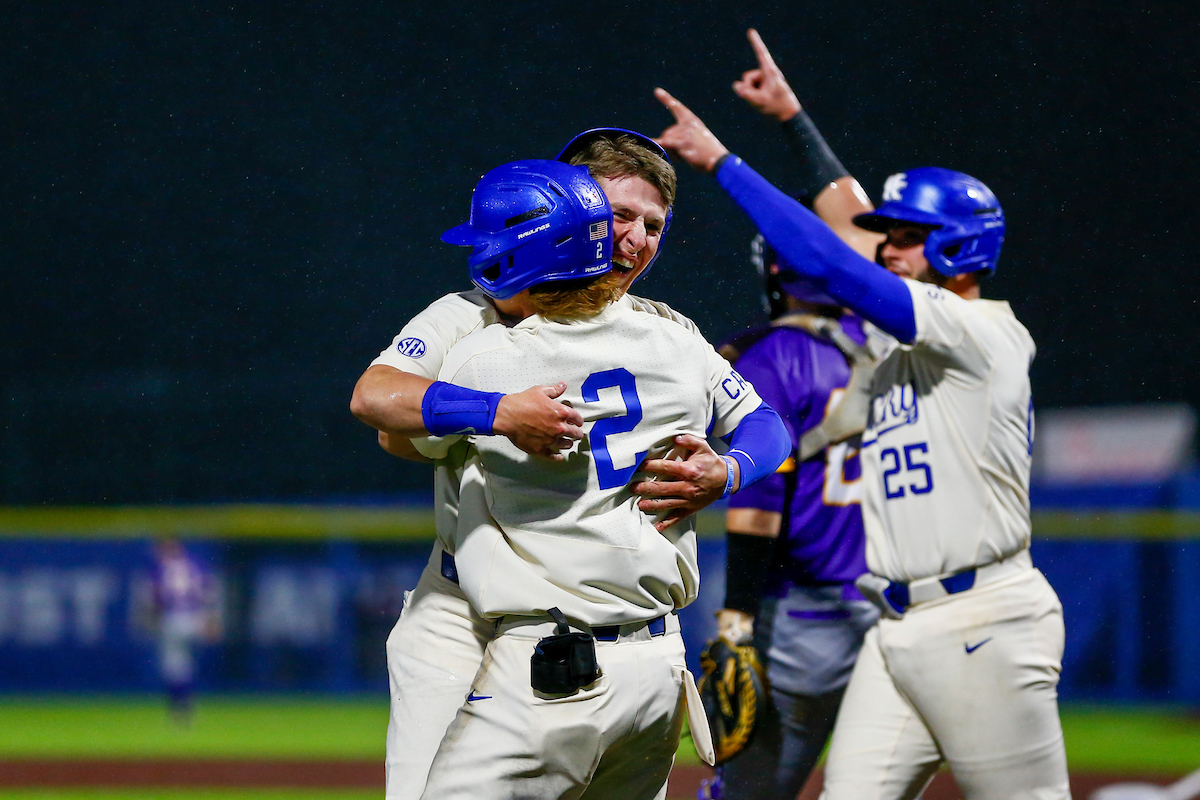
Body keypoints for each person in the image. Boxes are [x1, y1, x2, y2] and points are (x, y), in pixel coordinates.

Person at [655, 79, 1070, 800]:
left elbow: (830, 259)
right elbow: (850, 227)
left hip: (986, 621)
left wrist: (723, 161)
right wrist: (793, 119)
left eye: (910, 236)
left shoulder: (976, 331)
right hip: (894, 623)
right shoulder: (898, 331)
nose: (889, 246)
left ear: (960, 246)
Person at [350, 128, 786, 800]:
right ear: (571, 208)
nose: (635, 238)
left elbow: (763, 426)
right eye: (617, 215)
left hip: (604, 628)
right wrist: (495, 412)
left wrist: (726, 471)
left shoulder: (665, 328)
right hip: (463, 604)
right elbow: (378, 404)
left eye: (653, 224)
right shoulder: (471, 318)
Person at [148, 538, 220, 725]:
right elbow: (210, 591)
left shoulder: (161, 567)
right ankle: (188, 705)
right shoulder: (196, 564)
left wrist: (152, 618)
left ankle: (179, 709)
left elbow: (157, 598)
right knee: (185, 665)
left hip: (174, 619)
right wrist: (210, 620)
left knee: (175, 667)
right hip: (196, 619)